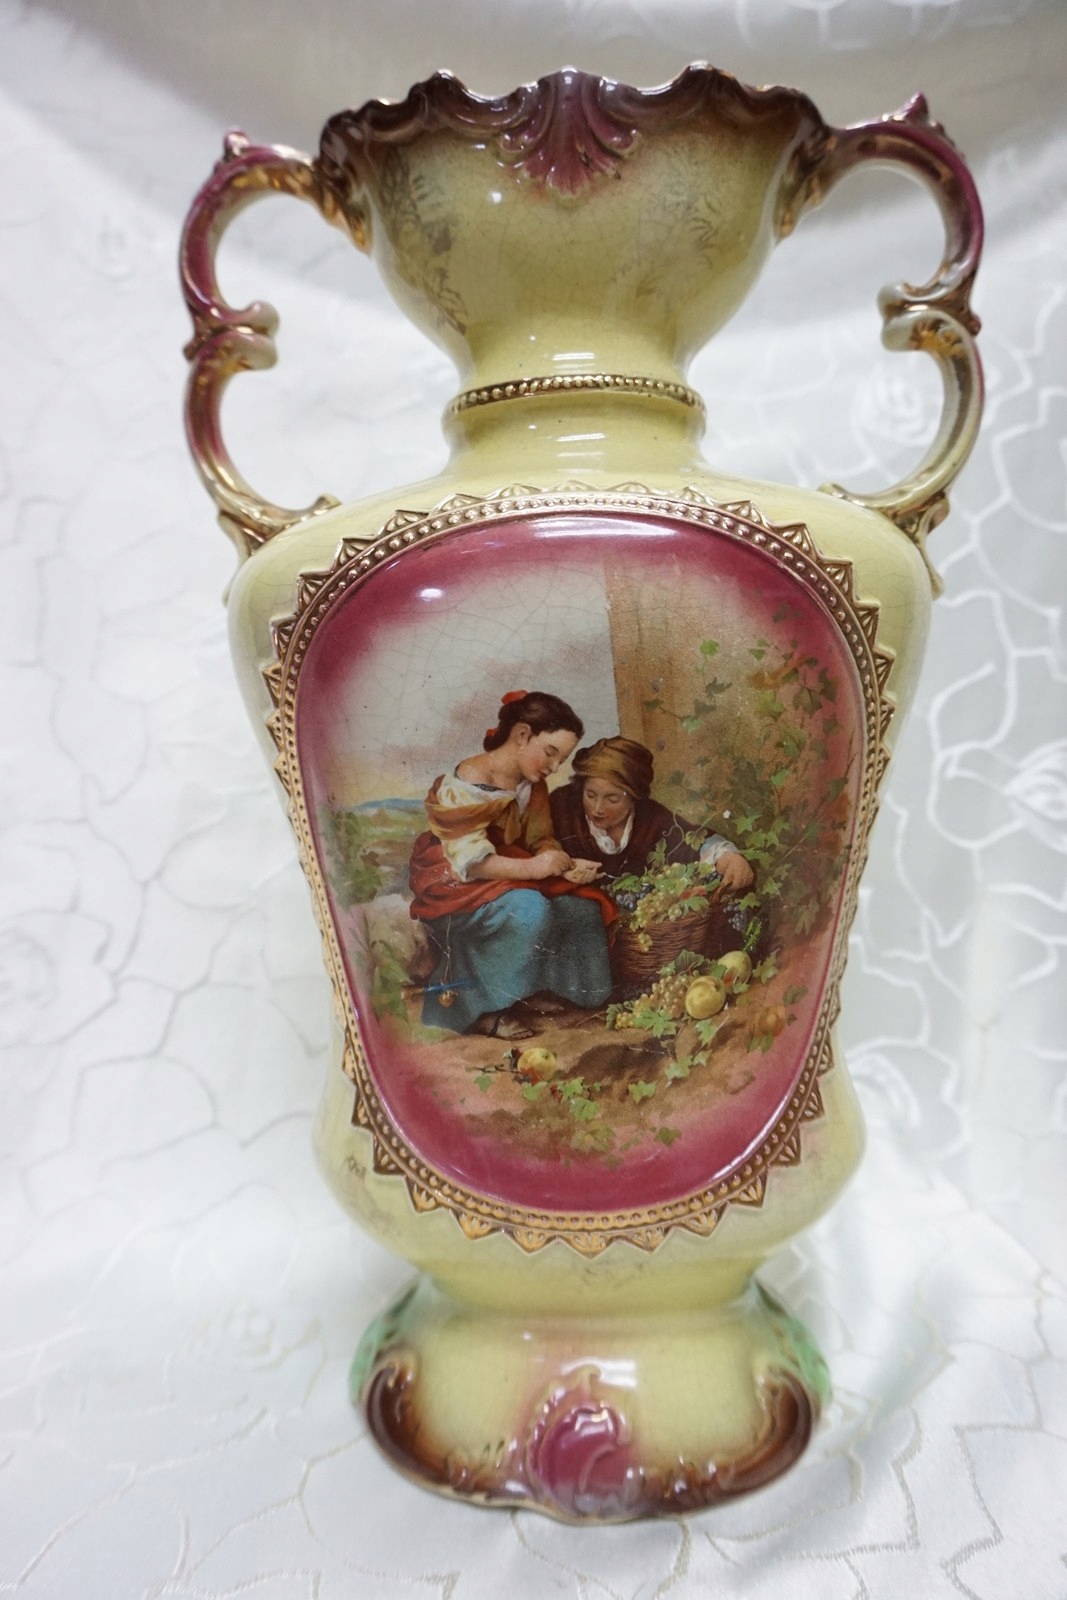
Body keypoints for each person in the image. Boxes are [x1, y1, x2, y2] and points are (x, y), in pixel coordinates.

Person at [408, 691, 613, 1040]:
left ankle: (545, 990)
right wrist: (537, 868)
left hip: (509, 878)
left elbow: (540, 840)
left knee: (580, 908)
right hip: (456, 888)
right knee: (527, 909)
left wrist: (563, 864)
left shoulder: (532, 786)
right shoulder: (467, 781)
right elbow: (473, 864)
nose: (553, 767)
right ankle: (483, 1011)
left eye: (561, 760)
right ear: (521, 735)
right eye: (550, 753)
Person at [549, 735, 755, 891]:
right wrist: (565, 867)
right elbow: (536, 851)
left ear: (633, 796)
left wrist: (729, 857)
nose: (597, 808)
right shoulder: (562, 808)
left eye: (612, 799)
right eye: (590, 795)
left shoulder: (652, 819)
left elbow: (693, 840)